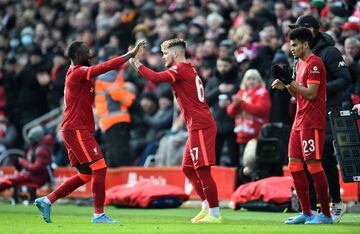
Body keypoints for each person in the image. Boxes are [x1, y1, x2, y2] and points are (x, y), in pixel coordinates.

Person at [34, 40, 145, 224]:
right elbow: (104, 67)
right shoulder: (77, 72)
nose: (90, 53)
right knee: (100, 167)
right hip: (76, 129)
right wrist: (130, 55)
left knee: (86, 174)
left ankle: (47, 200)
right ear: (78, 56)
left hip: (75, 129)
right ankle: (98, 215)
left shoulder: (79, 74)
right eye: (87, 51)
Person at [129, 38, 222, 224]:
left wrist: (136, 62)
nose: (163, 57)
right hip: (195, 125)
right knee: (188, 169)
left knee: (203, 170)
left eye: (165, 54)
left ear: (176, 54)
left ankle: (215, 213)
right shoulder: (188, 68)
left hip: (201, 125)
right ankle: (206, 207)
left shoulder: (179, 69)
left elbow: (155, 78)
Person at [289, 14, 351, 223]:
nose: (293, 41)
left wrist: (320, 91)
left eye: (300, 29)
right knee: (307, 162)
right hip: (307, 113)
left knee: (324, 159)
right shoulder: (301, 60)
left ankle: (335, 203)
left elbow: (345, 79)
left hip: (328, 112)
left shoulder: (329, 53)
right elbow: (303, 90)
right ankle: (311, 210)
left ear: (311, 30)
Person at [271, 27, 332, 224]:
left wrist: (290, 82)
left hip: (312, 122)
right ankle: (306, 212)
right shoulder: (300, 64)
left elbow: (312, 94)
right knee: (294, 166)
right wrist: (286, 84)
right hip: (299, 121)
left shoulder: (315, 64)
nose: (292, 48)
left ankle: (326, 215)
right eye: (291, 45)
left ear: (306, 44)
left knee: (314, 166)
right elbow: (299, 96)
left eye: (295, 45)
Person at [0, 126, 52, 199]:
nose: (29, 141)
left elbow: (36, 168)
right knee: (9, 179)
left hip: (37, 178)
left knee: (9, 180)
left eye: (31, 139)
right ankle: (17, 197)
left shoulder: (41, 150)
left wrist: (22, 162)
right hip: (30, 175)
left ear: (36, 138)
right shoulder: (33, 148)